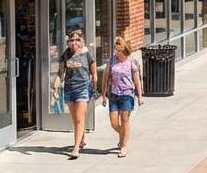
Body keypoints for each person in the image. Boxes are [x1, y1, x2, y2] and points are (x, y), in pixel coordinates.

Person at [52, 31, 96, 160]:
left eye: (76, 40)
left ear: (81, 41)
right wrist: (54, 89)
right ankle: (81, 138)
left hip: (83, 88)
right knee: (75, 119)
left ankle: (75, 148)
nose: (74, 43)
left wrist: (95, 87)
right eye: (71, 41)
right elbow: (60, 73)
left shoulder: (86, 54)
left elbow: (93, 72)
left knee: (78, 118)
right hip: (69, 89)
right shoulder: (65, 55)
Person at [100, 36, 143, 157]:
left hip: (127, 94)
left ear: (125, 50)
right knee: (114, 121)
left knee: (125, 120)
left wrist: (139, 96)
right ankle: (122, 134)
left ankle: (123, 146)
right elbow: (106, 77)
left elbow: (137, 80)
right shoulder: (112, 61)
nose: (118, 53)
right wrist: (104, 94)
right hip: (114, 93)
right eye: (116, 50)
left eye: (120, 50)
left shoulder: (131, 62)